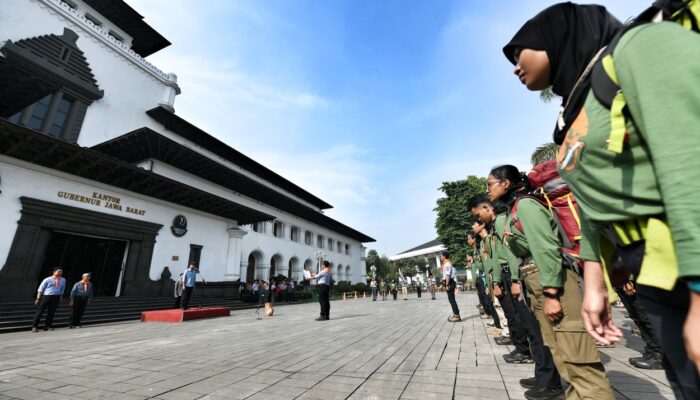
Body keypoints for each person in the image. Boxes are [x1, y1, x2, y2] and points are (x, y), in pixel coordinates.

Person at [504, 3, 700, 397]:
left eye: (518, 51)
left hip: (687, 254)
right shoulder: (574, 107)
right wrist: (595, 283)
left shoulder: (638, 48)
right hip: (651, 268)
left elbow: (689, 160)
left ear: (554, 35)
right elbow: (592, 201)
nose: (514, 66)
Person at [485, 164, 613, 399]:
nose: (487, 190)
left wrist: (552, 293)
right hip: (538, 283)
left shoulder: (525, 205)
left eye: (490, 184)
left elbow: (545, 249)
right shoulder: (516, 208)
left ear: (506, 183)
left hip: (554, 285)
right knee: (561, 353)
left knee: (578, 358)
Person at [472, 195, 564, 397]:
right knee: (532, 329)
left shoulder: (508, 217)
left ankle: (549, 380)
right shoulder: (500, 224)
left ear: (487, 208)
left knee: (535, 329)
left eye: (477, 215)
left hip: (521, 274)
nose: (476, 222)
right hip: (515, 275)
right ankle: (543, 375)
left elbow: (510, 252)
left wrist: (514, 279)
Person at [32, 267, 66, 332]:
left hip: (56, 297)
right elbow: (40, 289)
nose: (60, 273)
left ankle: (47, 326)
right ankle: (34, 326)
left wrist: (61, 297)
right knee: (40, 311)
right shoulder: (47, 279)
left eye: (61, 271)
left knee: (51, 312)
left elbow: (62, 289)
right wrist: (38, 298)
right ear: (54, 272)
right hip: (47, 296)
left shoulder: (63, 280)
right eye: (59, 271)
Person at [441, 251, 460, 322]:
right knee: (451, 300)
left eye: (441, 256)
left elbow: (448, 275)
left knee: (452, 300)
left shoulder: (447, 264)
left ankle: (457, 315)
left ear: (444, 256)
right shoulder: (446, 263)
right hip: (450, 282)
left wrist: (447, 284)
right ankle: (456, 314)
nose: (440, 257)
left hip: (450, 282)